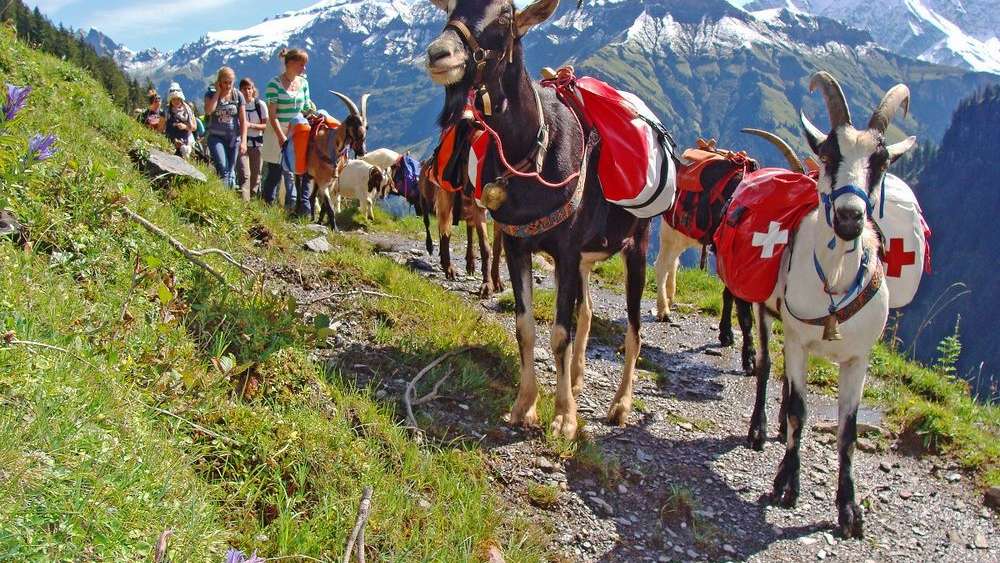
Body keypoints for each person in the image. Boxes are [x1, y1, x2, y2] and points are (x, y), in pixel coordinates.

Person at [261, 48, 314, 217]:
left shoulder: (303, 84)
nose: (304, 69)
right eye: (301, 64)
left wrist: (312, 112)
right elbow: (272, 115)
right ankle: (266, 209)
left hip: (297, 132)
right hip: (278, 132)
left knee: (297, 172)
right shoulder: (274, 84)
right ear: (290, 63)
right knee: (275, 173)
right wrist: (281, 137)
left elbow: (305, 108)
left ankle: (293, 210)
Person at [204, 67, 248, 188]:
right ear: (219, 81)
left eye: (230, 82)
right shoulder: (211, 94)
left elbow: (243, 121)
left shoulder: (237, 95)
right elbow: (208, 111)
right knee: (223, 168)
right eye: (225, 82)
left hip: (234, 139)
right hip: (216, 137)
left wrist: (244, 141)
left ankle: (227, 196)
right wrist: (218, 92)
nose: (228, 86)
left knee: (231, 171)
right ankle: (224, 198)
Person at [237, 78, 267, 201]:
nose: (247, 91)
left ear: (253, 90)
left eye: (249, 88)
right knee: (245, 174)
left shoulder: (260, 105)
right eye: (244, 89)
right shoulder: (238, 106)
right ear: (240, 91)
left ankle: (253, 200)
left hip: (257, 144)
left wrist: (250, 125)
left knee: (256, 175)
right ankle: (245, 201)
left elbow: (266, 126)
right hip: (241, 144)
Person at [164, 83, 196, 159]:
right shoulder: (167, 111)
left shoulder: (188, 110)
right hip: (171, 138)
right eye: (173, 99)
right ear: (170, 100)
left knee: (185, 151)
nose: (176, 101)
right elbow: (162, 127)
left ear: (181, 99)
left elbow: (194, 127)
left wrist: (185, 127)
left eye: (178, 99)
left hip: (187, 138)